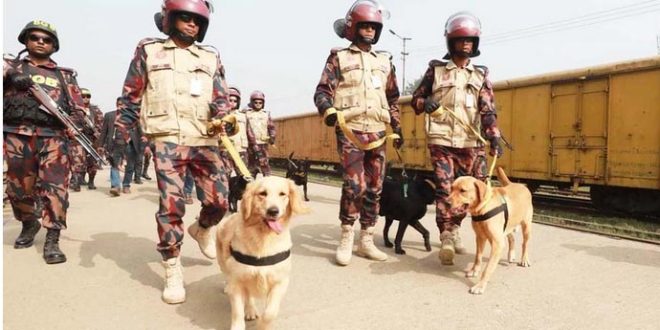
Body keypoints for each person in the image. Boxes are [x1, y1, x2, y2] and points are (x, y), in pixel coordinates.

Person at [115, 0, 231, 304]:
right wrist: (121, 132)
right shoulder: (149, 50)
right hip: (167, 138)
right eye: (185, 18)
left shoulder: (211, 56)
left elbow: (220, 96)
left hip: (205, 139)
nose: (191, 24)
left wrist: (225, 116)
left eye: (196, 20)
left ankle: (202, 228)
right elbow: (131, 95)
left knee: (220, 200)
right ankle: (172, 266)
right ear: (170, 19)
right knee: (171, 206)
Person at [313, 0, 403, 266]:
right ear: (353, 28)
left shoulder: (385, 61)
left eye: (373, 27)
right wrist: (328, 110)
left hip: (377, 131)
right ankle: (346, 235)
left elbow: (393, 97)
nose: (370, 32)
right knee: (355, 185)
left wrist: (397, 126)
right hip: (351, 131)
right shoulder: (339, 57)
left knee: (375, 188)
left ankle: (366, 239)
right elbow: (322, 91)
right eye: (364, 26)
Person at [410, 12, 503, 266]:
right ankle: (447, 234)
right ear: (451, 42)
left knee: (476, 191)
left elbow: (487, 110)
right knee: (445, 189)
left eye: (471, 41)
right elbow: (416, 100)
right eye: (462, 41)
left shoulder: (480, 75)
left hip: (471, 144)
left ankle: (458, 227)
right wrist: (425, 102)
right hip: (442, 142)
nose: (466, 45)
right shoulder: (436, 70)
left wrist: (494, 137)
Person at [3, 19, 87, 264]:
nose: (40, 42)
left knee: (55, 189)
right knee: (18, 190)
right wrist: (11, 76)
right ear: (26, 41)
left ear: (54, 45)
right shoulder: (11, 65)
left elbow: (78, 107)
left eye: (46, 39)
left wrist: (76, 123)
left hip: (54, 138)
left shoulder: (64, 76)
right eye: (35, 37)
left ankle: (53, 238)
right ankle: (29, 223)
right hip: (18, 134)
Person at [245, 90, 275, 177]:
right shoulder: (247, 113)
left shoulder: (266, 114)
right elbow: (246, 128)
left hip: (263, 144)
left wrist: (272, 137)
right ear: (252, 102)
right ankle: (251, 184)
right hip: (250, 145)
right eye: (256, 102)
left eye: (260, 102)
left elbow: (271, 127)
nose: (258, 104)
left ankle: (267, 182)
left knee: (264, 164)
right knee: (251, 166)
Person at [98, 104, 125, 197]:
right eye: (119, 104)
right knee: (114, 164)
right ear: (117, 104)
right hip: (113, 144)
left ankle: (126, 184)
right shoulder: (109, 115)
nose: (121, 106)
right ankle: (115, 186)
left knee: (129, 166)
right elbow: (104, 131)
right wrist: (100, 145)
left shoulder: (131, 116)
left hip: (126, 144)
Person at [80, 87, 104, 190]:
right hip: (79, 138)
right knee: (78, 161)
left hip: (92, 139)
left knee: (93, 161)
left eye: (88, 96)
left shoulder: (95, 109)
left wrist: (98, 132)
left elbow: (101, 123)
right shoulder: (74, 109)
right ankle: (78, 181)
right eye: (83, 96)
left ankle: (91, 182)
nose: (86, 98)